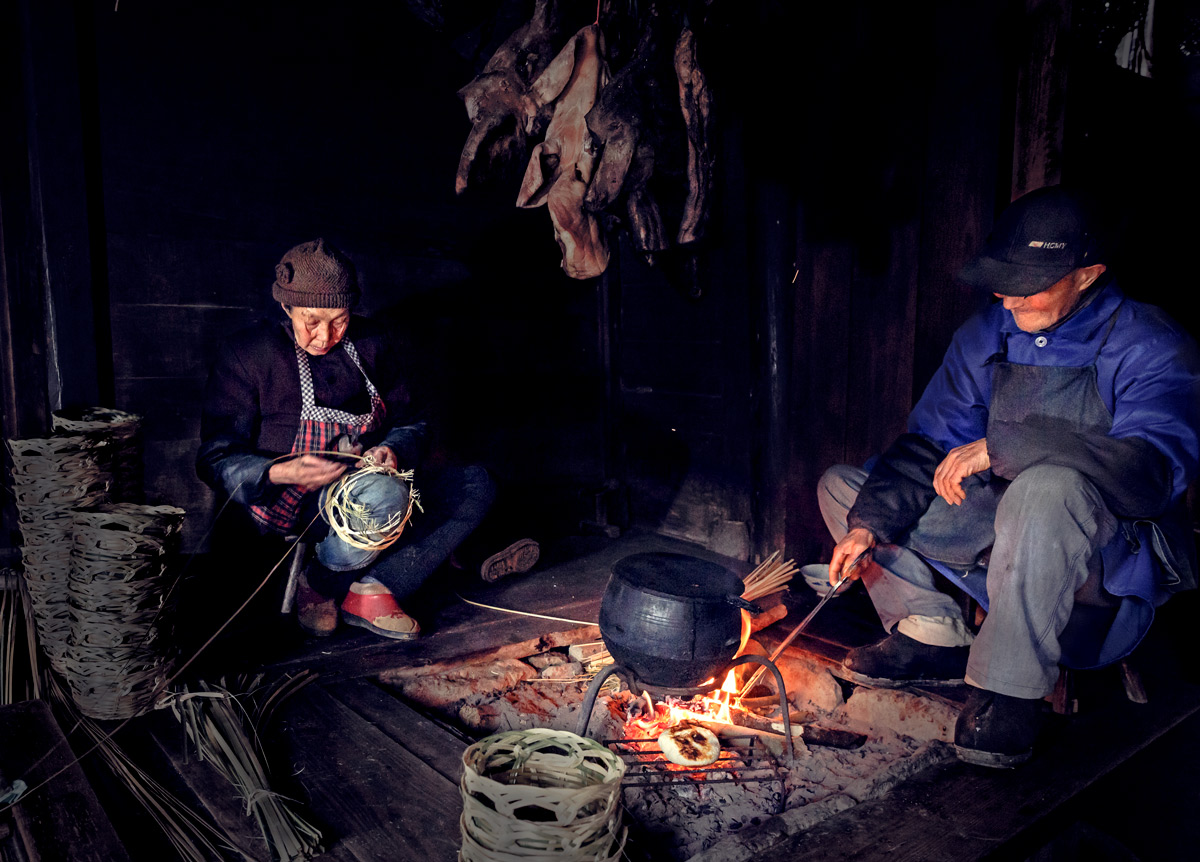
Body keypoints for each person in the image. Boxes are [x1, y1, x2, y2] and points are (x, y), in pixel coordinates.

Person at [816, 186, 1200, 767]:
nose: (1008, 298)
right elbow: (928, 444)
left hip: (1099, 562)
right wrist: (868, 528)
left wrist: (1001, 448)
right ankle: (931, 632)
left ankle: (1009, 692)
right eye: (1004, 281)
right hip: (1002, 537)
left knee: (1047, 487)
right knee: (848, 489)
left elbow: (1148, 477)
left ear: (1087, 275)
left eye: (1030, 285)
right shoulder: (989, 333)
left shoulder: (1151, 345)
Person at [197, 238, 539, 640]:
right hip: (294, 506)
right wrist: (278, 472)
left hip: (373, 490)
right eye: (311, 320)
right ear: (286, 307)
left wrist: (393, 448)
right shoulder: (250, 355)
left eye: (339, 320)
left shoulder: (372, 342)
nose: (325, 336)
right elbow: (215, 457)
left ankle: (370, 588)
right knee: (382, 500)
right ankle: (326, 583)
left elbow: (413, 422)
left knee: (477, 484)